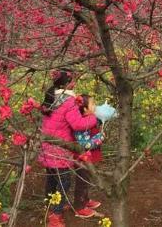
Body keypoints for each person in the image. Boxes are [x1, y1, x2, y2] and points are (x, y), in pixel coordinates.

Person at [39, 71, 98, 227]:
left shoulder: (50, 97)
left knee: (51, 178)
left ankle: (50, 206)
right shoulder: (68, 101)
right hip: (60, 149)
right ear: (66, 84)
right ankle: (56, 215)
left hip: (47, 147)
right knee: (64, 182)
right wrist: (94, 117)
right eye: (72, 81)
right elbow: (78, 124)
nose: (74, 83)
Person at [72, 94, 104, 217]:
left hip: (88, 158)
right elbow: (84, 145)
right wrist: (99, 138)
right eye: (92, 104)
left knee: (87, 179)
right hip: (82, 159)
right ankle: (79, 207)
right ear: (85, 109)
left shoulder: (89, 118)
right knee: (82, 181)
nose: (95, 106)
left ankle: (85, 200)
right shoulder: (81, 125)